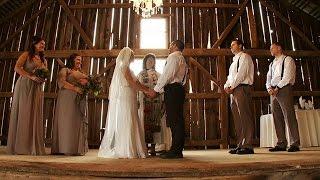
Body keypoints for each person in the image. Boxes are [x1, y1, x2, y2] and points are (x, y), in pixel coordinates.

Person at [98, 47, 149, 158]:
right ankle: (127, 149)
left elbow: (136, 83)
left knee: (132, 117)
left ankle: (132, 146)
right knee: (128, 118)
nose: (133, 57)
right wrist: (146, 90)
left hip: (130, 94)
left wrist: (145, 89)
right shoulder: (124, 67)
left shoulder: (127, 68)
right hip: (126, 95)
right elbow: (131, 82)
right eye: (132, 55)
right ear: (128, 56)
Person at [146, 40, 187, 159]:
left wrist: (156, 89)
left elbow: (167, 75)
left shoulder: (173, 57)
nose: (169, 47)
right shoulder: (182, 58)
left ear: (174, 46)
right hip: (178, 89)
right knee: (177, 119)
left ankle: (176, 151)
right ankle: (176, 149)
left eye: (171, 45)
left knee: (175, 120)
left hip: (173, 89)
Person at [7, 35, 47, 155]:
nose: (43, 46)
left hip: (37, 88)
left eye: (44, 44)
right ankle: (21, 146)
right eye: (41, 44)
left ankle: (32, 145)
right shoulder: (26, 55)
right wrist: (31, 76)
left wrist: (42, 79)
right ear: (34, 44)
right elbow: (17, 68)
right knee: (25, 113)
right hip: (25, 85)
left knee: (34, 114)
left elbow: (45, 73)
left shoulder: (44, 59)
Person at [51, 53, 89, 156]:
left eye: (80, 60)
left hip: (79, 100)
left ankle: (76, 148)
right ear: (72, 60)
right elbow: (61, 82)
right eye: (77, 59)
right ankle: (65, 147)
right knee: (67, 122)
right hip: (67, 99)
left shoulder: (81, 72)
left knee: (77, 122)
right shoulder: (65, 70)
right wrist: (75, 88)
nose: (79, 61)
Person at [266, 42, 300, 152]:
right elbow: (268, 78)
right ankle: (281, 142)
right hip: (273, 91)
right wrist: (269, 88)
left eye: (272, 48)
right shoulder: (271, 64)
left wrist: (277, 88)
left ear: (279, 48)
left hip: (284, 88)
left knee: (288, 115)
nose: (270, 50)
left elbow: (287, 76)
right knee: (277, 117)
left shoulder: (287, 60)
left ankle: (294, 143)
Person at [224, 39, 255, 155]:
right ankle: (240, 144)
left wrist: (232, 86)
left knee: (244, 116)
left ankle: (248, 145)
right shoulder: (233, 61)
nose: (231, 47)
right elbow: (230, 76)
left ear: (240, 46)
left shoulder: (245, 57)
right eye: (231, 45)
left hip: (241, 87)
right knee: (237, 118)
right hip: (234, 89)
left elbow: (241, 74)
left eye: (233, 44)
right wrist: (226, 86)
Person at [137, 53, 171, 155]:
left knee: (155, 124)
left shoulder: (159, 75)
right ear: (145, 62)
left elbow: (162, 88)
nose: (151, 62)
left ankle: (153, 147)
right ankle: (145, 147)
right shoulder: (140, 75)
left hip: (156, 102)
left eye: (153, 61)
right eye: (149, 60)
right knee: (144, 124)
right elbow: (137, 88)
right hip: (144, 102)